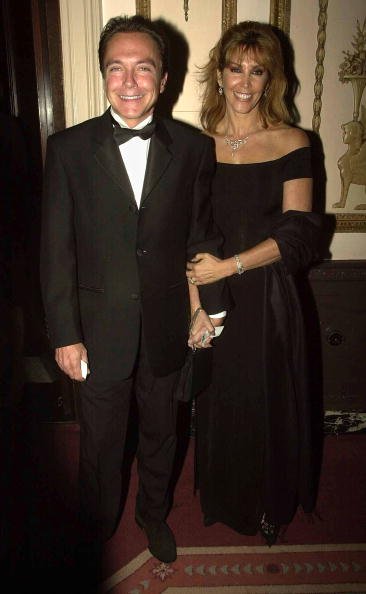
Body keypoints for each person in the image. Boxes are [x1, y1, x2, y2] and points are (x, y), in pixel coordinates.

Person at [40, 14, 226, 577]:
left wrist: (209, 308)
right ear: (103, 75)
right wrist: (65, 334)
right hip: (97, 330)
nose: (128, 81)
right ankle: (94, 527)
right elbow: (56, 250)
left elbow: (203, 237)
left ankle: (154, 514)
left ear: (163, 78)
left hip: (167, 324)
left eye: (142, 68)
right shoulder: (68, 148)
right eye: (116, 68)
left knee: (161, 433)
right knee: (98, 442)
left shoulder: (194, 147)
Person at [186, 20, 321, 544]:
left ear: (272, 80)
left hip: (267, 295)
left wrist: (230, 266)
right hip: (214, 296)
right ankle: (223, 497)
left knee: (268, 402)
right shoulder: (197, 146)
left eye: (257, 71)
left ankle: (269, 503)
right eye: (235, 68)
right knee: (220, 400)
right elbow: (189, 235)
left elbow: (298, 233)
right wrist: (197, 303)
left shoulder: (292, 141)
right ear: (219, 74)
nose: (245, 81)